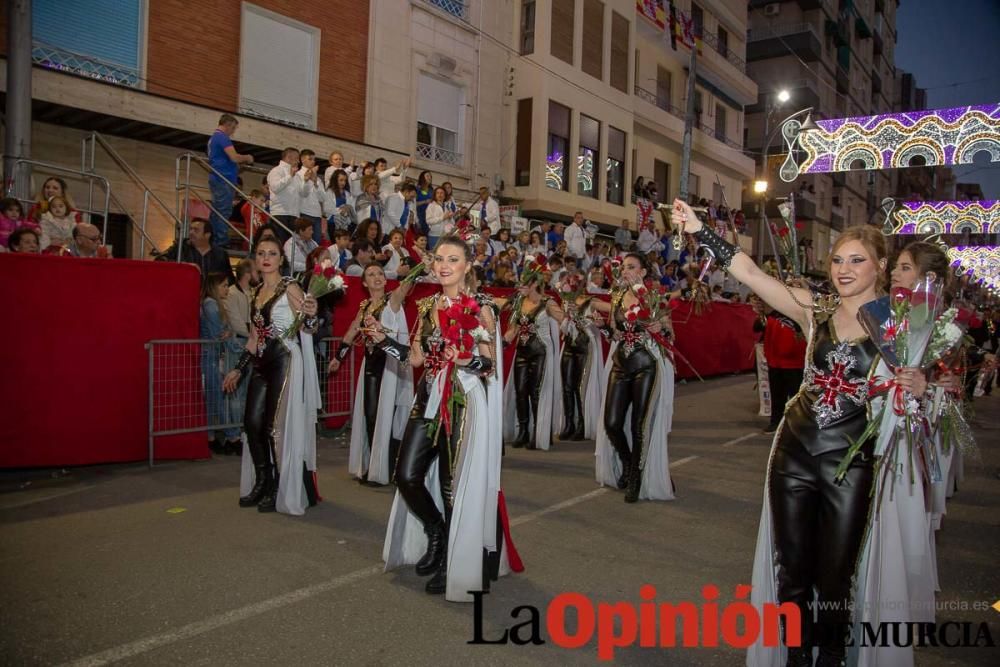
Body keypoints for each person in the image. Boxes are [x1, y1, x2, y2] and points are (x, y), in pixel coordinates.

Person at [669, 201, 927, 666]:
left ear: (881, 266)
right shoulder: (817, 310)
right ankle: (794, 656)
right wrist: (699, 229)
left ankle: (829, 657)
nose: (843, 270)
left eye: (856, 260)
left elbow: (924, 399)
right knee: (791, 572)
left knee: (835, 577)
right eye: (837, 260)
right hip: (793, 454)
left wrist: (920, 386)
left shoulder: (900, 325)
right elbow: (749, 273)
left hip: (850, 464)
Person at [377, 234, 520, 600]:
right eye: (439, 258)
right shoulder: (426, 307)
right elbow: (415, 360)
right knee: (406, 475)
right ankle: (437, 532)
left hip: (463, 401)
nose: (443, 265)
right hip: (427, 399)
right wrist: (382, 341)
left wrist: (463, 359)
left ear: (467, 265)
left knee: (451, 487)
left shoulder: (481, 307)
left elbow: (489, 364)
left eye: (452, 259)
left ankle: (450, 560)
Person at [223, 237, 321, 515]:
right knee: (251, 424)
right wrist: (238, 368)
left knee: (273, 427)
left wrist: (312, 315)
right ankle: (263, 480)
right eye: (261, 253)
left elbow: (308, 325)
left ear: (281, 259)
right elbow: (254, 338)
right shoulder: (255, 293)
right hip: (261, 363)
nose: (266, 258)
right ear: (255, 259)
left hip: (284, 360)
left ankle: (279, 484)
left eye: (272, 253)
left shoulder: (289, 287)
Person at [593, 253, 676, 503]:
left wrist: (661, 328)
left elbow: (670, 334)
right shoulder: (617, 296)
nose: (625, 271)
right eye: (624, 267)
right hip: (621, 363)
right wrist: (603, 327)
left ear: (642, 272)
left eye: (631, 267)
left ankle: (637, 479)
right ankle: (628, 463)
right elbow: (615, 334)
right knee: (611, 422)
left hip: (646, 364)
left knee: (639, 425)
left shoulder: (654, 297)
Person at [330, 264, 415, 485]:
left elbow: (404, 288)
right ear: (365, 283)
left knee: (387, 416)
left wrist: (418, 267)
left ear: (386, 280)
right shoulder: (365, 306)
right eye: (371, 275)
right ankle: (372, 466)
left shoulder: (392, 301)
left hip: (389, 368)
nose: (377, 277)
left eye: (380, 274)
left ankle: (387, 468)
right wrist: (338, 357)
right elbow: (351, 331)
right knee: (370, 415)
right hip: (370, 367)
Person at [501, 258, 565, 451]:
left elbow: (564, 320)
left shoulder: (548, 302)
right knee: (520, 391)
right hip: (522, 351)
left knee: (536, 392)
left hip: (541, 352)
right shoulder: (519, 303)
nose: (521, 286)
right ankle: (523, 431)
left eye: (525, 282)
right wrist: (502, 343)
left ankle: (539, 432)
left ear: (535, 283)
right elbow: (513, 329)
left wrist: (571, 320)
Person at [556, 270, 606, 441]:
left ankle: (582, 424)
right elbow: (562, 327)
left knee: (580, 386)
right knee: (567, 386)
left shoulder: (591, 301)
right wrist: (566, 316)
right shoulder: (566, 302)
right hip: (569, 345)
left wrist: (596, 321)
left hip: (585, 347)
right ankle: (569, 423)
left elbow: (612, 309)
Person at [201, 273, 242, 454]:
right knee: (217, 397)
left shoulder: (211, 305)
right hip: (210, 356)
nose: (227, 288)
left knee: (213, 398)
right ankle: (232, 435)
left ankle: (211, 437)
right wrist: (231, 337)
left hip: (211, 355)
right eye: (224, 285)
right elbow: (220, 333)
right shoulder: (211, 305)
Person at [753, 300, 807, 434]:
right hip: (775, 362)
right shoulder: (771, 315)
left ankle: (797, 425)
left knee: (795, 397)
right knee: (777, 395)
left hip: (794, 363)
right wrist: (763, 313)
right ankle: (775, 422)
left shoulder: (797, 312)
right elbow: (756, 328)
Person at [206, 114, 254, 246]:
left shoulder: (214, 138)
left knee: (218, 210)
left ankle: (213, 237)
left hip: (220, 177)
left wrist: (236, 167)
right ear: (227, 125)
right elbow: (234, 157)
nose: (233, 131)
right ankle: (220, 240)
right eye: (232, 128)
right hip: (223, 179)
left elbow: (225, 160)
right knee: (223, 210)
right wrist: (247, 158)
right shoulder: (222, 137)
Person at [224, 259, 255, 454]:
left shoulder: (251, 293)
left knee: (245, 392)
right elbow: (236, 322)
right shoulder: (233, 294)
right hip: (238, 344)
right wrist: (253, 334)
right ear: (248, 274)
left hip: (250, 343)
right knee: (235, 392)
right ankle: (233, 434)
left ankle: (242, 430)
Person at [157, 218, 235, 282]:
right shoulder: (180, 247)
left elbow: (230, 279)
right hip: (185, 291)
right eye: (190, 229)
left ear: (207, 235)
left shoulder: (220, 254)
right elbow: (160, 260)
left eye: (196, 230)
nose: (191, 232)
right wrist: (183, 266)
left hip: (210, 295)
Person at [266, 148, 302, 243]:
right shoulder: (276, 171)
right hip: (280, 213)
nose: (298, 161)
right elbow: (275, 187)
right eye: (297, 158)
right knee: (279, 243)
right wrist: (290, 176)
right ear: (289, 157)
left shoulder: (297, 175)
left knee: (291, 246)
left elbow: (302, 193)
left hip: (294, 214)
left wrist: (306, 181)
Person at [297, 149, 327, 242]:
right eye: (310, 159)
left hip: (317, 214)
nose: (313, 162)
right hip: (304, 212)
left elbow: (323, 198)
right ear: (302, 159)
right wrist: (307, 180)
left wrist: (315, 183)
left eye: (314, 159)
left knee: (316, 243)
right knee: (304, 242)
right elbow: (303, 193)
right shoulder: (298, 175)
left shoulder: (317, 178)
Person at [324, 168, 356, 237]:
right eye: (341, 180)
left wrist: (348, 208)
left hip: (346, 225)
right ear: (335, 180)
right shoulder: (329, 192)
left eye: (345, 180)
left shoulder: (347, 193)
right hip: (332, 224)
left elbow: (352, 207)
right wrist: (341, 210)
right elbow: (326, 208)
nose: (343, 183)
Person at [354, 176, 385, 244]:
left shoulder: (379, 199)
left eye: (375, 184)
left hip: (376, 232)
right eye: (371, 184)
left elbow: (381, 217)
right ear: (366, 186)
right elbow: (360, 219)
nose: (374, 186)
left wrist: (381, 231)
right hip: (364, 232)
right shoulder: (361, 198)